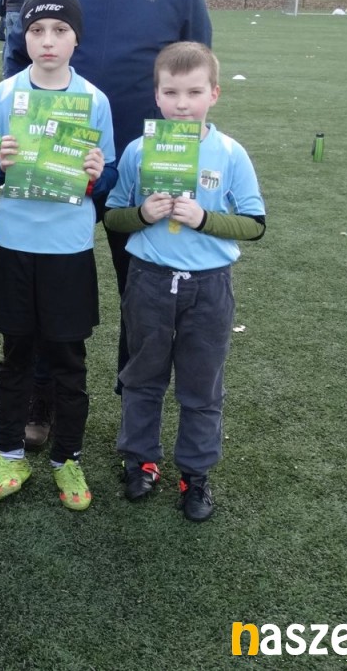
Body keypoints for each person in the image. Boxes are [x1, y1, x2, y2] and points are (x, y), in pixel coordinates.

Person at [3, 0, 212, 434]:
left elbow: (196, 70)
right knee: (48, 290)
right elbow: (18, 59)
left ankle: (134, 399)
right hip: (56, 166)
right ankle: (42, 397)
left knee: (142, 293)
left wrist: (184, 151)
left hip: (144, 169)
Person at [104, 42, 266, 522]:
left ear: (214, 94)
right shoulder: (139, 150)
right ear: (156, 95)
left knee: (202, 384)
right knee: (142, 376)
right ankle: (140, 460)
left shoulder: (230, 153)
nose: (181, 104)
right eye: (171, 92)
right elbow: (112, 216)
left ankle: (195, 474)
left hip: (209, 286)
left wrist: (204, 219)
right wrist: (141, 213)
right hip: (149, 280)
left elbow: (255, 224)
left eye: (193, 92)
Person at [0, 0, 115, 510]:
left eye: (59, 29)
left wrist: (97, 173)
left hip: (69, 249)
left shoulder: (94, 100)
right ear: (23, 36)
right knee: (16, 356)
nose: (47, 40)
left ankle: (66, 458)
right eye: (36, 30)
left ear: (76, 38)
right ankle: (10, 454)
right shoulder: (3, 96)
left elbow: (109, 177)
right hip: (15, 245)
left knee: (69, 359)